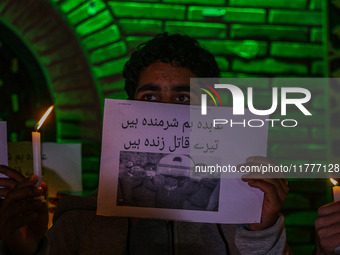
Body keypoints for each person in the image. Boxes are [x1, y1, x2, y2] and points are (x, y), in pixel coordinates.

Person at [0, 33, 290, 254]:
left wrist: (262, 231)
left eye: (183, 98)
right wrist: (27, 249)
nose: (165, 111)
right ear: (128, 107)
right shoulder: (81, 217)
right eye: (150, 97)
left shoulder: (240, 213)